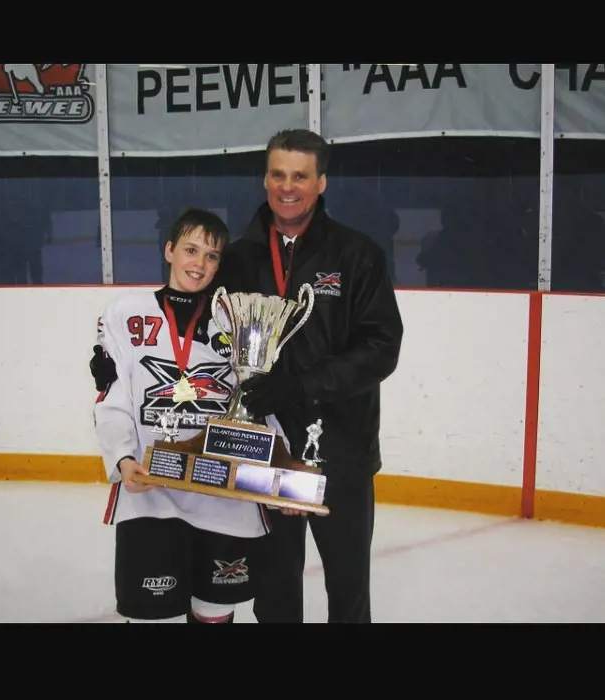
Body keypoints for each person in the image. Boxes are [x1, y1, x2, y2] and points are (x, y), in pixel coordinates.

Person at [92, 129, 404, 623]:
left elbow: (381, 349)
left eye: (300, 176)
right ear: (265, 179)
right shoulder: (235, 258)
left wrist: (302, 385)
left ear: (321, 182)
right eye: (278, 174)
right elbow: (187, 335)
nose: (288, 186)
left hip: (340, 453)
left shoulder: (356, 255)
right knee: (275, 590)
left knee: (347, 587)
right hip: (255, 453)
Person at [93, 207, 272, 624]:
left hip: (221, 493)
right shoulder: (125, 312)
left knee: (214, 612)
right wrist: (121, 458)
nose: (200, 264)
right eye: (191, 250)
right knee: (148, 613)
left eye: (211, 256)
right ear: (169, 250)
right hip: (151, 490)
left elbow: (258, 401)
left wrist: (270, 469)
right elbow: (112, 396)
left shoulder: (238, 318)